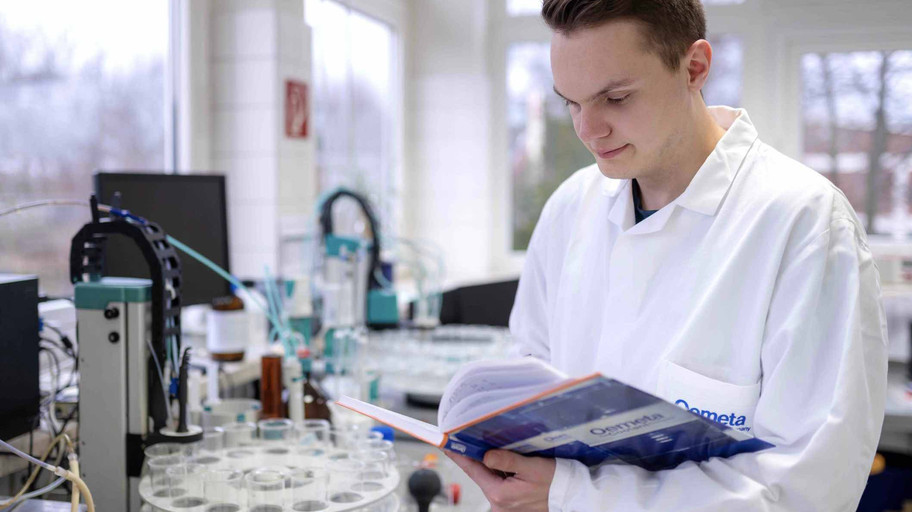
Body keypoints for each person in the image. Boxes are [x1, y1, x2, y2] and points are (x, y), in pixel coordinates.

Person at [446, 0, 888, 510]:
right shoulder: (571, 206)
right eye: (571, 102)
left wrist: (578, 496)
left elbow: (809, 486)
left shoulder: (804, 223)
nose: (588, 131)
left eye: (615, 97)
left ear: (694, 68)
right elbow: (528, 383)